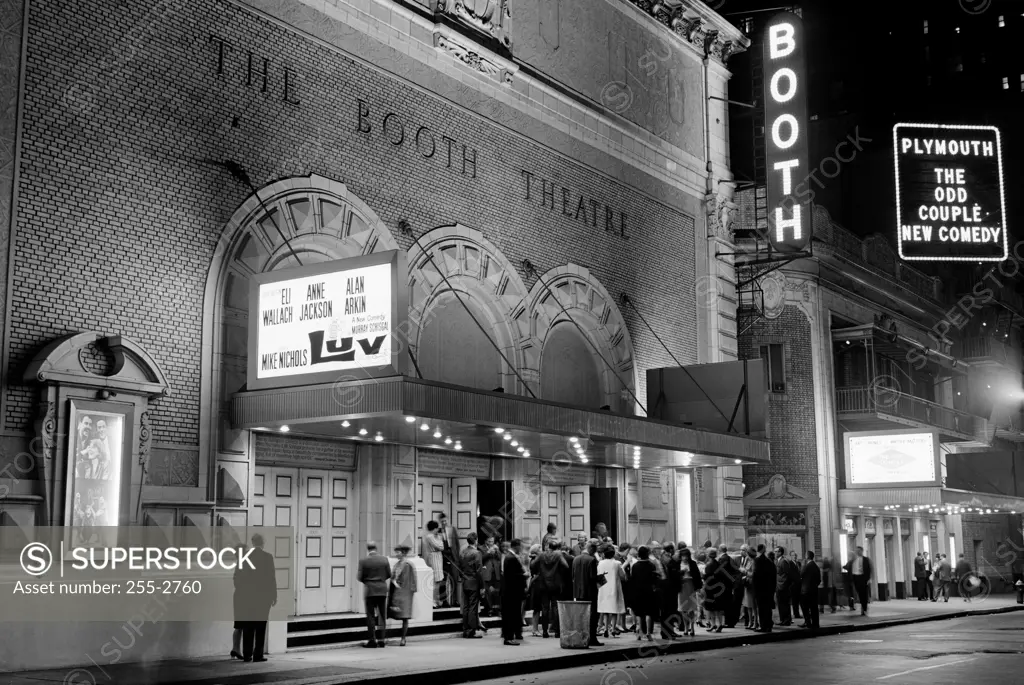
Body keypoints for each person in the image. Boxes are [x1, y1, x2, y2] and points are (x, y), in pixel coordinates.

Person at [237, 533, 277, 662]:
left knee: (248, 625)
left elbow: (238, 576)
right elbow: (271, 578)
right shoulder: (268, 557)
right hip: (263, 597)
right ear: (263, 543)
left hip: (247, 597)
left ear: (253, 543)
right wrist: (274, 595)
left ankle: (247, 654)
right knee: (261, 626)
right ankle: (257, 654)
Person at [531, 538, 569, 638]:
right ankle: (557, 631)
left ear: (548, 546)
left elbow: (532, 564)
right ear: (556, 548)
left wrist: (538, 571)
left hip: (543, 584)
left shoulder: (541, 554)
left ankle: (544, 632)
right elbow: (566, 566)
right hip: (555, 584)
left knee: (545, 608)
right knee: (555, 607)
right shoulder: (558, 554)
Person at [357, 541, 392, 648]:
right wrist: (380, 581)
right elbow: (389, 574)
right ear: (376, 548)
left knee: (371, 616)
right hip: (382, 589)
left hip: (370, 590)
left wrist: (368, 582)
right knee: (382, 615)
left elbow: (360, 577)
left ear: (368, 549)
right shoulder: (384, 559)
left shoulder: (363, 561)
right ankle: (382, 639)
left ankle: (372, 640)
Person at [572, 540, 603, 646]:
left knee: (581, 615)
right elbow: (592, 577)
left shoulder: (575, 559)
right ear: (592, 549)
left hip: (578, 592)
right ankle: (592, 638)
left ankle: (581, 637)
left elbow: (573, 576)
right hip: (590, 592)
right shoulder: (592, 560)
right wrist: (601, 577)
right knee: (592, 615)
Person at [388, 544, 417, 646]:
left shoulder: (407, 565)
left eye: (398, 552)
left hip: (404, 594)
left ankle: (403, 638)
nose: (396, 554)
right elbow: (393, 577)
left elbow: (409, 582)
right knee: (398, 615)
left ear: (403, 553)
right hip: (397, 592)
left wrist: (397, 584)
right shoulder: (397, 564)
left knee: (405, 617)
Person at [628, 545, 658, 641]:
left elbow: (632, 579)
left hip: (638, 591)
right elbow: (654, 579)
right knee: (649, 612)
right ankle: (648, 633)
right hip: (649, 591)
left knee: (639, 613)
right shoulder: (651, 565)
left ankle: (640, 632)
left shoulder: (635, 566)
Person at [500, 539, 526, 645]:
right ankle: (509, 638)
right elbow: (511, 576)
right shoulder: (510, 558)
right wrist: (524, 575)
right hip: (511, 592)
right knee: (510, 615)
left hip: (512, 592)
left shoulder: (510, 557)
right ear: (517, 546)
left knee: (512, 614)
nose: (521, 549)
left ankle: (512, 635)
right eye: (521, 546)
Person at [596, 544, 626, 638]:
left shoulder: (601, 563)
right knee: (614, 609)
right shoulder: (617, 563)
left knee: (605, 609)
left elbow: (599, 575)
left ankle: (605, 629)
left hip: (603, 587)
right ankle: (613, 628)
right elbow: (622, 576)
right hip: (614, 587)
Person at [459, 532, 485, 638]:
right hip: (474, 582)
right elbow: (479, 571)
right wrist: (482, 586)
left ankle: (466, 629)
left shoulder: (463, 552)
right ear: (476, 540)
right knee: (473, 607)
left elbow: (460, 568)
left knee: (466, 606)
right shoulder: (476, 553)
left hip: (465, 581)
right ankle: (471, 631)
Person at [674, 547, 702, 636]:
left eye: (686, 556)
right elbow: (675, 575)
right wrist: (681, 572)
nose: (685, 558)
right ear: (680, 557)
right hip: (681, 587)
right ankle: (686, 627)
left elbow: (697, 576)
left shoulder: (693, 564)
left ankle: (692, 627)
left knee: (691, 609)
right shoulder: (677, 564)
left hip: (691, 586)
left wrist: (698, 587)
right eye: (683, 556)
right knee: (683, 609)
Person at [702, 548, 728, 633]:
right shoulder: (718, 564)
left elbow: (707, 577)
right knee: (717, 608)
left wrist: (703, 576)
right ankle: (719, 624)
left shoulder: (708, 565)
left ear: (708, 555)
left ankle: (714, 624)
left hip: (710, 589)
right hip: (718, 589)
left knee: (711, 608)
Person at [438, 513, 461, 608]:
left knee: (454, 580)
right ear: (440, 522)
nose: (444, 522)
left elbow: (457, 544)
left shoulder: (453, 529)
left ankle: (455, 600)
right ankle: (444, 601)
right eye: (442, 521)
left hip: (453, 558)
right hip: (443, 559)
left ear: (447, 520)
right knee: (443, 581)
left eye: (445, 520)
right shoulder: (438, 531)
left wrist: (457, 557)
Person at [753, 544, 776, 633]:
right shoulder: (769, 562)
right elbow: (773, 576)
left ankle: (763, 626)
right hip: (769, 589)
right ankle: (768, 626)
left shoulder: (757, 561)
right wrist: (773, 589)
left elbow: (756, 576)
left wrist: (755, 589)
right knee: (768, 608)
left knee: (762, 609)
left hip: (760, 589)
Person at [422, 521, 445, 609]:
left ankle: (436, 600)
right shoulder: (429, 537)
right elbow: (440, 546)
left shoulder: (435, 536)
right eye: (436, 528)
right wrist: (440, 540)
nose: (438, 530)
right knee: (436, 580)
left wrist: (439, 540)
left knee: (438, 580)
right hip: (434, 557)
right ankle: (433, 601)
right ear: (434, 528)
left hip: (438, 557)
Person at [718, 544, 740, 628]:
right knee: (729, 602)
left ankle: (729, 622)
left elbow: (722, 571)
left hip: (725, 584)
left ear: (720, 550)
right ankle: (729, 621)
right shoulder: (728, 557)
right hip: (729, 583)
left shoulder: (723, 559)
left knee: (727, 603)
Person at [480, 536, 501, 617]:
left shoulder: (496, 547)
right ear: (485, 541)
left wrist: (497, 550)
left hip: (496, 572)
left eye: (492, 541)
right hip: (486, 572)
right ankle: (489, 610)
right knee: (487, 592)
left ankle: (497, 610)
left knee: (497, 592)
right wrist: (488, 552)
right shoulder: (481, 548)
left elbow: (499, 558)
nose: (491, 543)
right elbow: (480, 559)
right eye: (489, 541)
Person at [799, 551, 821, 630]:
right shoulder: (816, 566)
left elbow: (801, 575)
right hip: (814, 590)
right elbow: (819, 580)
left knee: (805, 608)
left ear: (807, 557)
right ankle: (815, 624)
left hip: (805, 590)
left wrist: (802, 565)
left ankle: (808, 623)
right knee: (814, 608)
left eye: (805, 555)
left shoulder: (806, 566)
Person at [850, 546, 873, 615]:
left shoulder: (866, 559)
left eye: (859, 551)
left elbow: (869, 569)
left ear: (862, 551)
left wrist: (869, 578)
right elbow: (852, 569)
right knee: (859, 594)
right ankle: (863, 607)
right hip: (856, 578)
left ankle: (864, 608)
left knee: (864, 594)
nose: (857, 552)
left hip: (863, 578)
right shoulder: (854, 560)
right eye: (856, 551)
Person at [740, 545, 758, 630]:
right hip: (747, 584)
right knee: (748, 605)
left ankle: (755, 622)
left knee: (753, 605)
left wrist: (745, 572)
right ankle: (750, 622)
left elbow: (753, 574)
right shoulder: (748, 561)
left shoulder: (754, 562)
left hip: (752, 585)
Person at [775, 546, 792, 626]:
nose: (775, 553)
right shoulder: (777, 561)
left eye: (776, 551)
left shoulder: (783, 561)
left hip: (783, 587)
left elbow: (786, 575)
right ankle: (782, 619)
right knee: (780, 604)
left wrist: (783, 585)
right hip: (778, 586)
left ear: (780, 552)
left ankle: (786, 620)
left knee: (784, 604)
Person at [788, 551, 803, 620]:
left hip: (800, 584)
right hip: (794, 585)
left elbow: (800, 572)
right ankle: (796, 614)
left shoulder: (798, 563)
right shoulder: (790, 564)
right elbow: (791, 575)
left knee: (800, 599)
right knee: (795, 601)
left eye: (795, 555)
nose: (795, 556)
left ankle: (799, 613)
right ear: (791, 556)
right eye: (793, 555)